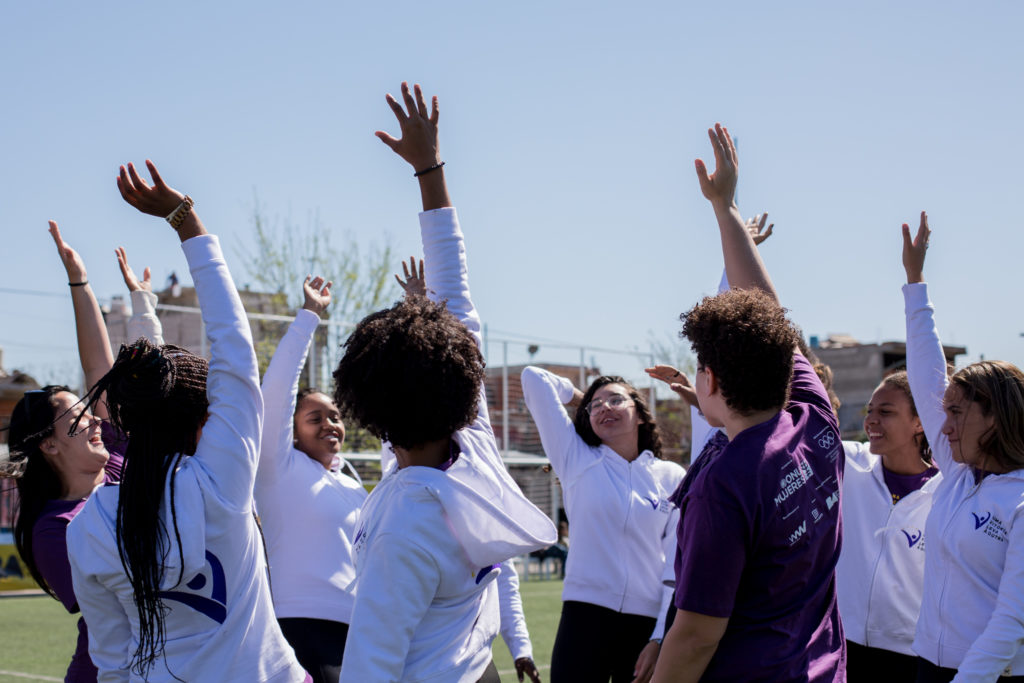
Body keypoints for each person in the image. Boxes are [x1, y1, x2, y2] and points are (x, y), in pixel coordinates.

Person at [334, 82, 556, 683]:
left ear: (372, 412)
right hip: (479, 669)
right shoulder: (474, 445)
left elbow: (371, 667)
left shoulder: (406, 524)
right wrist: (430, 170)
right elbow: (457, 296)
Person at [66, 161, 305, 681]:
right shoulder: (220, 483)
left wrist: (145, 308)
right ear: (205, 424)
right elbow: (236, 351)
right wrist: (185, 220)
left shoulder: (89, 525)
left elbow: (112, 661)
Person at [651, 124, 844, 682]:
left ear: (708, 380)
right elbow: (769, 308)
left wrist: (724, 207)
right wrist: (725, 209)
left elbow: (694, 637)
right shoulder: (813, 417)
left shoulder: (726, 482)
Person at [1, 224, 162, 682]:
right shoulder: (54, 530)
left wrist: (81, 281)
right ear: (48, 444)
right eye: (78, 418)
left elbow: (100, 371)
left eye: (90, 413)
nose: (94, 419)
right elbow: (134, 592)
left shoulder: (117, 460)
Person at [901, 212, 1024, 682]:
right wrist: (915, 283)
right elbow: (926, 370)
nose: (943, 427)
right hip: (926, 666)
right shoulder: (957, 474)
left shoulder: (1019, 501)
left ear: (994, 416)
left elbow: (1011, 621)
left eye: (956, 413)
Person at [521, 365, 685, 680]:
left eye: (615, 401)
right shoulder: (575, 458)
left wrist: (659, 636)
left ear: (639, 414)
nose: (603, 408)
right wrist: (584, 400)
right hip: (584, 616)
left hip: (645, 625)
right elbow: (534, 378)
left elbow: (674, 567)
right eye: (596, 405)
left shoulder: (672, 477)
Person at [253, 273, 367, 683]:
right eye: (314, 418)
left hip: (360, 634)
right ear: (293, 430)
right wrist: (309, 316)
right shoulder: (280, 470)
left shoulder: (354, 487)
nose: (330, 424)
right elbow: (277, 393)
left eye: (335, 417)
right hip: (301, 630)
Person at [837, 368, 940, 679]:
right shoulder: (848, 463)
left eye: (886, 412)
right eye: (870, 411)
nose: (871, 421)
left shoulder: (946, 492)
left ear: (920, 422)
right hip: (841, 643)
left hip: (909, 656)